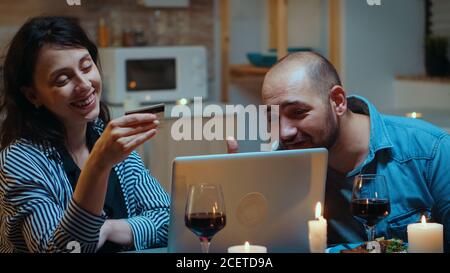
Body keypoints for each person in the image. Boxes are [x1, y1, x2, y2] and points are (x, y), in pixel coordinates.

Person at [227, 52, 450, 252]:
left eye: (298, 112)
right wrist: (241, 196)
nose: (284, 133)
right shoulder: (282, 164)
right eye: (273, 117)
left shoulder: (431, 151)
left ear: (338, 101)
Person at [0, 16, 170, 253]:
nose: (84, 84)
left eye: (87, 66)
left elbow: (167, 220)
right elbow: (62, 250)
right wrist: (98, 164)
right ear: (33, 96)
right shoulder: (20, 161)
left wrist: (109, 228)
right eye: (63, 79)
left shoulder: (104, 135)